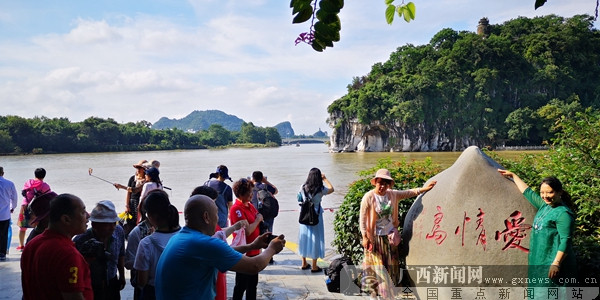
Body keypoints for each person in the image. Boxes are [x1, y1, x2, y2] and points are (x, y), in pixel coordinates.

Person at [154, 195, 285, 300]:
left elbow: (224, 253)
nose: (218, 219)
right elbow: (254, 266)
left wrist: (252, 246)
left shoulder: (181, 237)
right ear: (206, 217)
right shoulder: (204, 244)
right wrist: (272, 249)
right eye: (216, 214)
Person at [359, 168, 437, 299]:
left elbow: (409, 192)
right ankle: (379, 294)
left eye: (385, 183)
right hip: (375, 239)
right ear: (375, 182)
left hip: (389, 238)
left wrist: (425, 189)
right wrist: (365, 237)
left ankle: (384, 293)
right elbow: (362, 218)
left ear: (389, 185)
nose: (382, 186)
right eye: (380, 183)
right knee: (377, 268)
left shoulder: (392, 194)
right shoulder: (369, 197)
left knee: (390, 268)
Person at [498, 169, 577, 294]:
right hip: (540, 260)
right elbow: (528, 192)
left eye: (550, 192)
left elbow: (565, 241)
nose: (545, 196)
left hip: (554, 262)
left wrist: (556, 263)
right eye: (542, 192)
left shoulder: (563, 214)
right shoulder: (545, 206)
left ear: (559, 192)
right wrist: (513, 176)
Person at [21, 193, 93, 299]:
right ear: (66, 219)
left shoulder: (31, 244)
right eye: (82, 212)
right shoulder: (67, 253)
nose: (88, 215)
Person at [74, 200, 126, 300]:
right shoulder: (80, 241)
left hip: (112, 281)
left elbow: (121, 254)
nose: (112, 227)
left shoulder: (119, 231)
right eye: (108, 224)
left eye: (114, 223)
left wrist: (122, 276)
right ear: (95, 225)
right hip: (91, 285)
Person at [134, 190, 180, 300]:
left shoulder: (146, 244)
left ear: (150, 216)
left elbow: (142, 281)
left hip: (153, 293)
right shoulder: (184, 236)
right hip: (179, 290)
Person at [229, 178, 267, 300]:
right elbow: (247, 231)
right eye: (249, 192)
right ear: (240, 194)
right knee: (241, 285)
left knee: (252, 285)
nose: (252, 195)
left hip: (255, 251)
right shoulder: (236, 209)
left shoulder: (250, 205)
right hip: (244, 252)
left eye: (252, 192)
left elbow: (258, 219)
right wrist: (257, 220)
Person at [297, 167, 334, 272]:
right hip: (316, 217)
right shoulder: (321, 189)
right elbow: (332, 189)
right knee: (315, 239)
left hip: (304, 216)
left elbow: (299, 199)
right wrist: (325, 179)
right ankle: (314, 266)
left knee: (304, 239)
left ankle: (304, 263)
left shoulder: (303, 187)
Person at [17, 167, 51, 251]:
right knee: (40, 226)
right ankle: (39, 243)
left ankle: (21, 245)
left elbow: (24, 193)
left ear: (34, 174)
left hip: (25, 205)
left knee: (22, 226)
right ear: (44, 175)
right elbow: (49, 196)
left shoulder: (28, 183)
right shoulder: (45, 186)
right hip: (39, 208)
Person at [114, 160, 148, 236]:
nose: (138, 170)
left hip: (141, 203)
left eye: (140, 168)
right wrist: (127, 205)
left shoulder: (147, 180)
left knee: (140, 222)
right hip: (132, 203)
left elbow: (136, 190)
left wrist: (121, 186)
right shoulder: (133, 178)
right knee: (129, 223)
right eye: (137, 168)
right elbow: (128, 193)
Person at [0, 166, 18, 261]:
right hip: (4, 214)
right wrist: (12, 207)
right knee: (4, 234)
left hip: (5, 213)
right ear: (3, 173)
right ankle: (2, 253)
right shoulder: (9, 184)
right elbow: (14, 198)